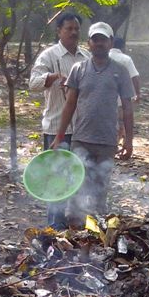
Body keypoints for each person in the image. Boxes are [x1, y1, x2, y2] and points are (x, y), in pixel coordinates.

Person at [51, 22, 134, 226]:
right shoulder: (78, 69)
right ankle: (73, 235)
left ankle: (97, 237)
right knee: (76, 188)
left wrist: (129, 141)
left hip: (107, 141)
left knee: (100, 191)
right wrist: (59, 136)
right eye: (95, 39)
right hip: (81, 139)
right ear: (88, 43)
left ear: (110, 42)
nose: (99, 43)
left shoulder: (121, 71)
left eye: (103, 39)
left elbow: (128, 107)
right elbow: (70, 105)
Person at [28, 11, 88, 229]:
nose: (73, 32)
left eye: (76, 29)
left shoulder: (86, 57)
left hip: (81, 128)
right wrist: (54, 77)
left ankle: (76, 228)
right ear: (59, 31)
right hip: (56, 127)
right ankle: (54, 228)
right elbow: (33, 83)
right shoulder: (49, 56)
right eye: (68, 29)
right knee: (57, 179)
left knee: (79, 178)